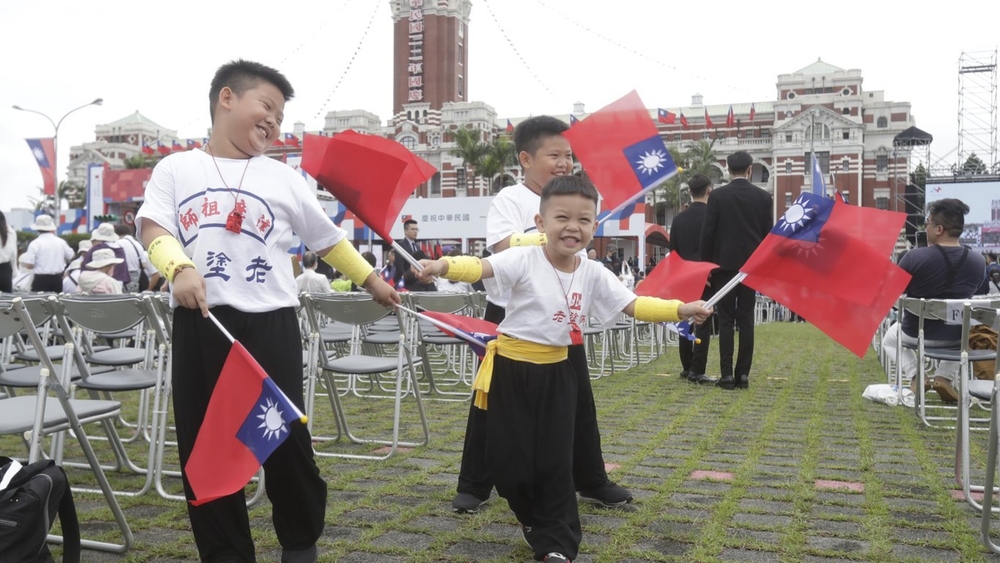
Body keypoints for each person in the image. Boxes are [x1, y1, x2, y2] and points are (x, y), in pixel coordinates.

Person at [135, 59, 400, 563]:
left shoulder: (284, 176)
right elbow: (154, 227)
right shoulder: (176, 168)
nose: (274, 123)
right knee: (206, 447)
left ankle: (300, 543)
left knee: (283, 441)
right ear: (227, 98)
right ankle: (226, 553)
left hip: (271, 323)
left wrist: (372, 281)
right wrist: (178, 267)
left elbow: (327, 240)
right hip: (203, 321)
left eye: (279, 117)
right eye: (267, 106)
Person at [417, 175, 712, 563]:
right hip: (509, 373)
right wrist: (441, 265)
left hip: (558, 376)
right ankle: (531, 519)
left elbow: (634, 304)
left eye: (584, 220)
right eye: (562, 217)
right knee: (509, 465)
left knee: (555, 464)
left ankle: (557, 542)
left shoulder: (592, 271)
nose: (573, 227)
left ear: (594, 226)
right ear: (541, 224)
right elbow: (479, 267)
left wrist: (680, 309)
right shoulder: (523, 257)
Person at [452, 115, 634, 517]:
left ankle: (590, 479)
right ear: (526, 159)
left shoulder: (572, 196)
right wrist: (554, 231)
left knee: (579, 400)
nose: (565, 163)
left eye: (569, 156)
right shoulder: (511, 199)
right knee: (490, 401)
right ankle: (475, 484)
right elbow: (499, 247)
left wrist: (570, 226)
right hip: (513, 312)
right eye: (555, 155)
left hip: (564, 312)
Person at [881, 198, 986, 402]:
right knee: (963, 339)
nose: (925, 227)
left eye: (927, 223)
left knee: (890, 340)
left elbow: (891, 294)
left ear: (939, 229)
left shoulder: (913, 258)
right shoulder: (978, 261)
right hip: (956, 336)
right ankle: (944, 377)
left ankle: (917, 375)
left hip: (916, 333)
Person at [699, 151, 773, 390]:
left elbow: (708, 234)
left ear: (729, 170)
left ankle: (726, 375)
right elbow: (767, 237)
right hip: (750, 268)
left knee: (727, 321)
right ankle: (743, 375)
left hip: (723, 267)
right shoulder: (763, 197)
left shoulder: (718, 196)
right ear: (750, 169)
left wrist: (706, 267)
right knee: (747, 320)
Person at [668, 173, 717, 385]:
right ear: (709, 190)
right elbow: (715, 249)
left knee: (684, 321)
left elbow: (673, 252)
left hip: (684, 277)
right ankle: (698, 369)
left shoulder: (678, 220)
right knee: (702, 323)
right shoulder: (713, 216)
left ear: (690, 192)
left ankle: (687, 366)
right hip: (706, 276)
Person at [21, 214, 74, 293]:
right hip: (57, 279)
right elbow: (71, 255)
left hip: (40, 280)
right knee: (56, 303)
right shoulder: (61, 242)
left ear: (37, 229)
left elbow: (29, 265)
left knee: (39, 303)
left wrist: (24, 264)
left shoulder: (35, 243)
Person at [82, 223, 131, 287]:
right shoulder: (120, 249)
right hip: (118, 283)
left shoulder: (96, 248)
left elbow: (86, 267)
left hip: (101, 283)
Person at [116, 223, 160, 292]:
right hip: (136, 278)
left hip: (123, 277)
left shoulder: (118, 243)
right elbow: (144, 265)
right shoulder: (137, 244)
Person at [394, 219, 427, 286]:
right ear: (406, 231)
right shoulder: (400, 245)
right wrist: (406, 278)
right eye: (412, 229)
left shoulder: (417, 247)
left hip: (416, 281)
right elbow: (399, 265)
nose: (415, 232)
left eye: (416, 229)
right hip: (404, 282)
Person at [0, 210, 15, 293]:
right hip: (5, 271)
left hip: (6, 269)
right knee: (6, 302)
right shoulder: (11, 232)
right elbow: (13, 256)